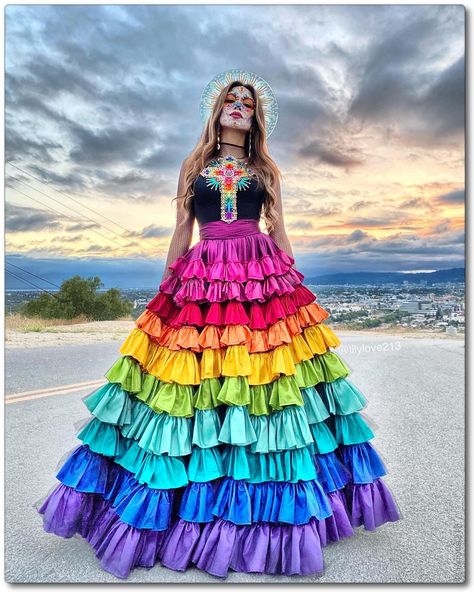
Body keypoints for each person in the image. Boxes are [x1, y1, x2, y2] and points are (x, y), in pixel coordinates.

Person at [35, 70, 401, 580]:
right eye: (231, 98)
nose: (238, 105)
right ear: (217, 109)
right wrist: (168, 284)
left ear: (256, 116)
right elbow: (182, 228)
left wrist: (292, 284)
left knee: (264, 384)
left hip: (258, 274)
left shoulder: (266, 169)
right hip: (205, 274)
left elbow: (281, 227)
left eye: (247, 101)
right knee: (194, 383)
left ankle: (264, 510)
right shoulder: (194, 165)